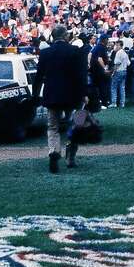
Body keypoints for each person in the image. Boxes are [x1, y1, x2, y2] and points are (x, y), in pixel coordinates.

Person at [33, 24, 88, 173]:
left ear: (52, 36)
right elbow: (82, 76)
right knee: (77, 126)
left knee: (53, 126)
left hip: (52, 95)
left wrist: (35, 95)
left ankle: (54, 152)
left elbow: (38, 77)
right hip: (74, 95)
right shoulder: (76, 51)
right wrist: (84, 94)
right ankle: (70, 158)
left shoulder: (45, 53)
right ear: (66, 36)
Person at [110, 40, 129, 109]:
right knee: (122, 88)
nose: (116, 46)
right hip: (124, 71)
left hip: (118, 71)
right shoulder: (125, 53)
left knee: (114, 87)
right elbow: (128, 63)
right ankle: (122, 103)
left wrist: (113, 72)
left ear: (120, 46)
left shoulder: (118, 53)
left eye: (117, 45)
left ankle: (114, 103)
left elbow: (117, 63)